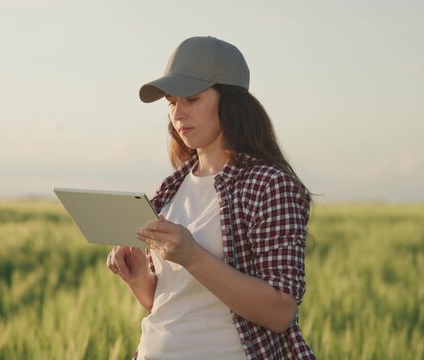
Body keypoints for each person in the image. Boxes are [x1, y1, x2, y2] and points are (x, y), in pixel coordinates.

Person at [106, 36, 315, 360]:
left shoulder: (270, 185)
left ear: (230, 102)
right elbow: (174, 304)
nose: (178, 114)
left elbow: (280, 312)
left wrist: (193, 256)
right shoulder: (170, 189)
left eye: (191, 98)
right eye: (172, 102)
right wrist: (138, 279)